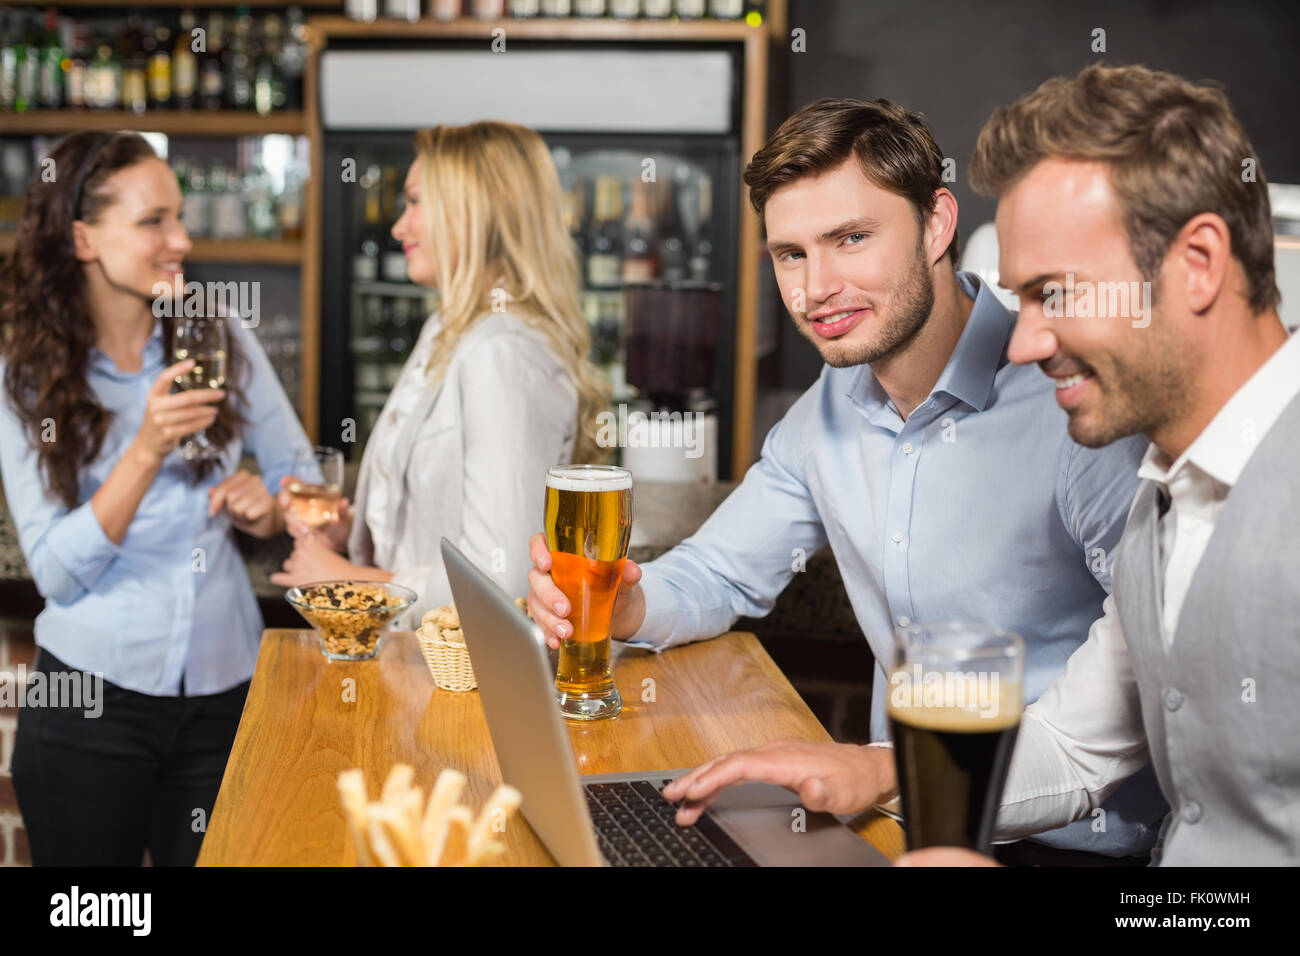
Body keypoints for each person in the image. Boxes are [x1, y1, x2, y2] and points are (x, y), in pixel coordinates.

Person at [527, 98, 1168, 863]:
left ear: (936, 224)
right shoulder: (830, 408)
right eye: (790, 254)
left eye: (851, 238)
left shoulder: (1076, 408)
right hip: (897, 817)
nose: (814, 288)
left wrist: (877, 770)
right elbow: (720, 572)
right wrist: (628, 603)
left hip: (1068, 846)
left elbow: (1142, 683)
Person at [907, 62, 1297, 866]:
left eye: (1057, 293)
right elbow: (1076, 748)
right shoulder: (1162, 490)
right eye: (1021, 299)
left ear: (1196, 263)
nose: (1021, 344)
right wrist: (871, 775)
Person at [0, 131, 313, 865]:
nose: (180, 239)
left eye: (177, 216)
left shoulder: (217, 333)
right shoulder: (24, 376)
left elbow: (297, 468)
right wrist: (144, 451)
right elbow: (54, 572)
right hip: (90, 705)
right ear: (82, 238)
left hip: (224, 691)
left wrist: (270, 506)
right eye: (152, 222)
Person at [271, 122, 607, 627]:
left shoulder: (500, 350)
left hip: (461, 689)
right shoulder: (448, 328)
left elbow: (504, 581)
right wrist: (350, 540)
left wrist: (352, 578)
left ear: (472, 215)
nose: (398, 228)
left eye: (414, 203)